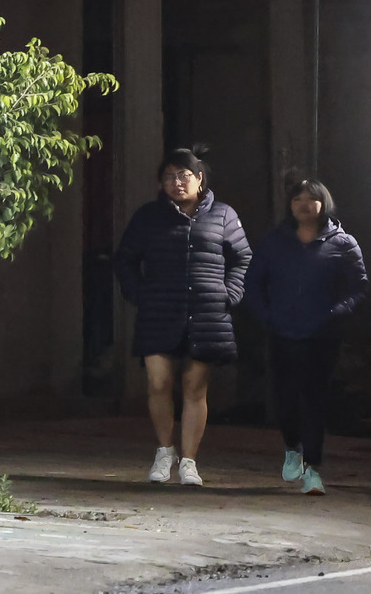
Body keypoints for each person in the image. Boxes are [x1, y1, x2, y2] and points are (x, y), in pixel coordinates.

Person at [114, 146, 251, 486]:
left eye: (183, 176)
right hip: (159, 311)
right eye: (168, 177)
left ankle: (189, 462)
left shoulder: (223, 215)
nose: (176, 183)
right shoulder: (149, 216)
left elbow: (243, 259)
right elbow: (125, 259)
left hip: (205, 313)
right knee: (159, 382)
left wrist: (229, 294)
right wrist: (138, 293)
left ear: (200, 179)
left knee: (195, 387)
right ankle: (164, 451)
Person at [244, 178, 368, 495]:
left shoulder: (343, 243)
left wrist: (337, 312)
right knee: (285, 397)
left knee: (314, 400)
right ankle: (292, 448)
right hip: (281, 331)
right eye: (297, 198)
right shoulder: (275, 242)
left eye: (311, 199)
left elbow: (359, 285)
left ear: (323, 204)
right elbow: (253, 281)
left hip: (322, 335)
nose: (303, 204)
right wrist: (266, 315)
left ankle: (313, 470)